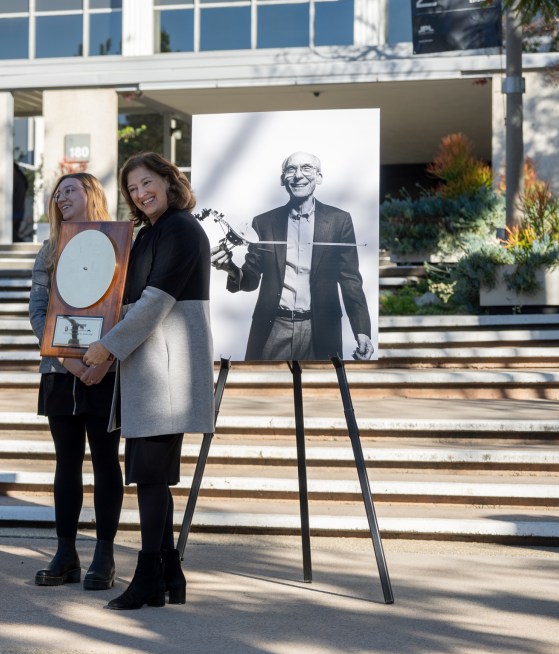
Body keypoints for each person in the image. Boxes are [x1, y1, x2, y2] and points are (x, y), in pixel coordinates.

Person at [83, 152, 214, 610]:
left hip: (168, 369)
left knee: (151, 477)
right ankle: (170, 574)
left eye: (147, 183)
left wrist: (105, 348)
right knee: (151, 475)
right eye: (133, 189)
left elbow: (155, 303)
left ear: (168, 179)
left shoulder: (180, 228)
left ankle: (147, 580)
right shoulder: (152, 232)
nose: (140, 194)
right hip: (151, 366)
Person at [28, 173, 124, 591]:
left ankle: (104, 555)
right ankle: (65, 553)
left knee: (106, 462)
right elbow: (37, 313)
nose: (61, 196)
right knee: (66, 463)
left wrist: (105, 358)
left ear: (92, 195)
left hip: (107, 370)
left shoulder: (122, 246)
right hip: (60, 372)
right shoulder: (49, 251)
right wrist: (71, 362)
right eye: (57, 192)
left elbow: (127, 308)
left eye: (71, 189)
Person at [211, 151, 374, 361]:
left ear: (319, 177)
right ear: (283, 179)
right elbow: (250, 280)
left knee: (320, 392)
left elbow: (350, 279)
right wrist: (230, 268)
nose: (298, 175)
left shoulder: (339, 220)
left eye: (306, 168)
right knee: (267, 391)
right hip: (274, 326)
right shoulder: (263, 223)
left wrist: (362, 331)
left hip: (321, 328)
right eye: (291, 169)